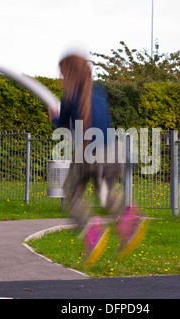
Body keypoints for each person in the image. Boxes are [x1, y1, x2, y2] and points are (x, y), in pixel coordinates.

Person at [49, 51, 148, 267]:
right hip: (112, 153)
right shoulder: (99, 93)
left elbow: (62, 124)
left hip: (87, 154)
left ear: (68, 74)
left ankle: (92, 230)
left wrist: (54, 116)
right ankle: (129, 218)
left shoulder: (70, 96)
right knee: (106, 196)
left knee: (71, 194)